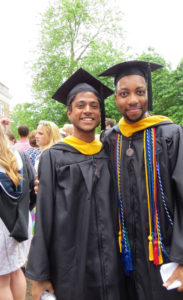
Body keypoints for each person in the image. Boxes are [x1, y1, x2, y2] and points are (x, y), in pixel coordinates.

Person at [99, 60, 183, 300]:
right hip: (128, 262)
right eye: (124, 93)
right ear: (116, 99)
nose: (133, 100)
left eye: (139, 92)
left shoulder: (170, 134)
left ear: (148, 94)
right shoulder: (110, 139)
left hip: (170, 258)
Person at [25, 68, 128, 300]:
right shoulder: (54, 157)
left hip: (111, 261)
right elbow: (44, 218)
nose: (88, 111)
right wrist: (40, 274)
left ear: (101, 113)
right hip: (71, 263)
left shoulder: (109, 153)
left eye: (94, 105)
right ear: (69, 112)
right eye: (81, 105)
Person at [0, 123, 36, 300]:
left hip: (2, 227)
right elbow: (32, 192)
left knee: (1, 280)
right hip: (22, 222)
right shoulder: (20, 155)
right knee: (15, 270)